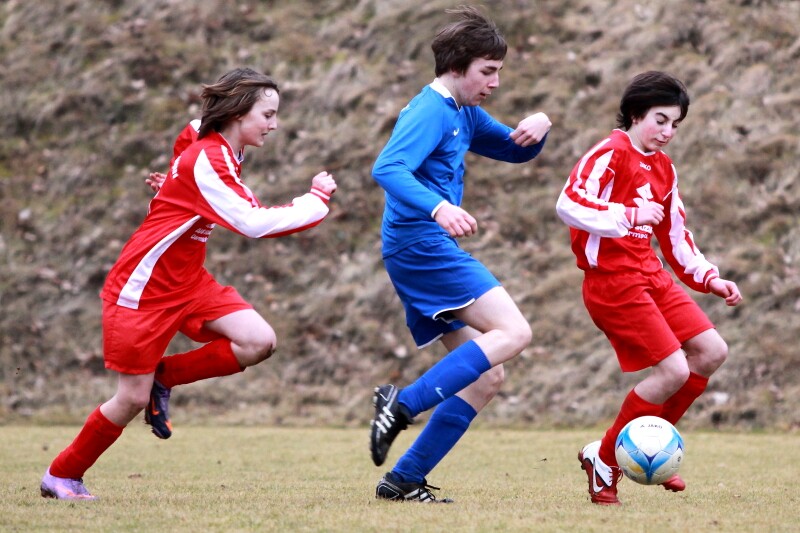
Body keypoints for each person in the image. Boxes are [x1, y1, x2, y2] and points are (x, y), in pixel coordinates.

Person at [40, 67, 338, 500]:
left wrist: (174, 185)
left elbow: (189, 148)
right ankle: (61, 475)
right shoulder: (209, 158)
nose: (274, 125)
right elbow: (251, 222)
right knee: (130, 399)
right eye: (268, 115)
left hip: (189, 281)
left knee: (258, 341)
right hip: (143, 288)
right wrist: (315, 201)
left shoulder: (215, 145)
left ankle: (165, 376)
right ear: (237, 113)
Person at [369, 6, 551, 503]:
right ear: (456, 66)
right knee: (514, 332)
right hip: (421, 245)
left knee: (488, 375)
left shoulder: (463, 112)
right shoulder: (430, 110)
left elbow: (514, 149)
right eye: (487, 71)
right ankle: (401, 406)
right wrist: (439, 208)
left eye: (498, 71)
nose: (495, 82)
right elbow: (387, 168)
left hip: (418, 248)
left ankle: (404, 479)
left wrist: (539, 125)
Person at [555, 70, 742, 506]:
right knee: (674, 371)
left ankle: (650, 451)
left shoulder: (664, 168)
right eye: (660, 120)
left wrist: (710, 277)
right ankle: (606, 461)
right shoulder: (609, 152)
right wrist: (626, 215)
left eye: (675, 124)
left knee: (712, 352)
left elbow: (676, 236)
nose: (668, 131)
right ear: (636, 113)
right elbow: (569, 203)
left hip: (652, 275)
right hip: (613, 282)